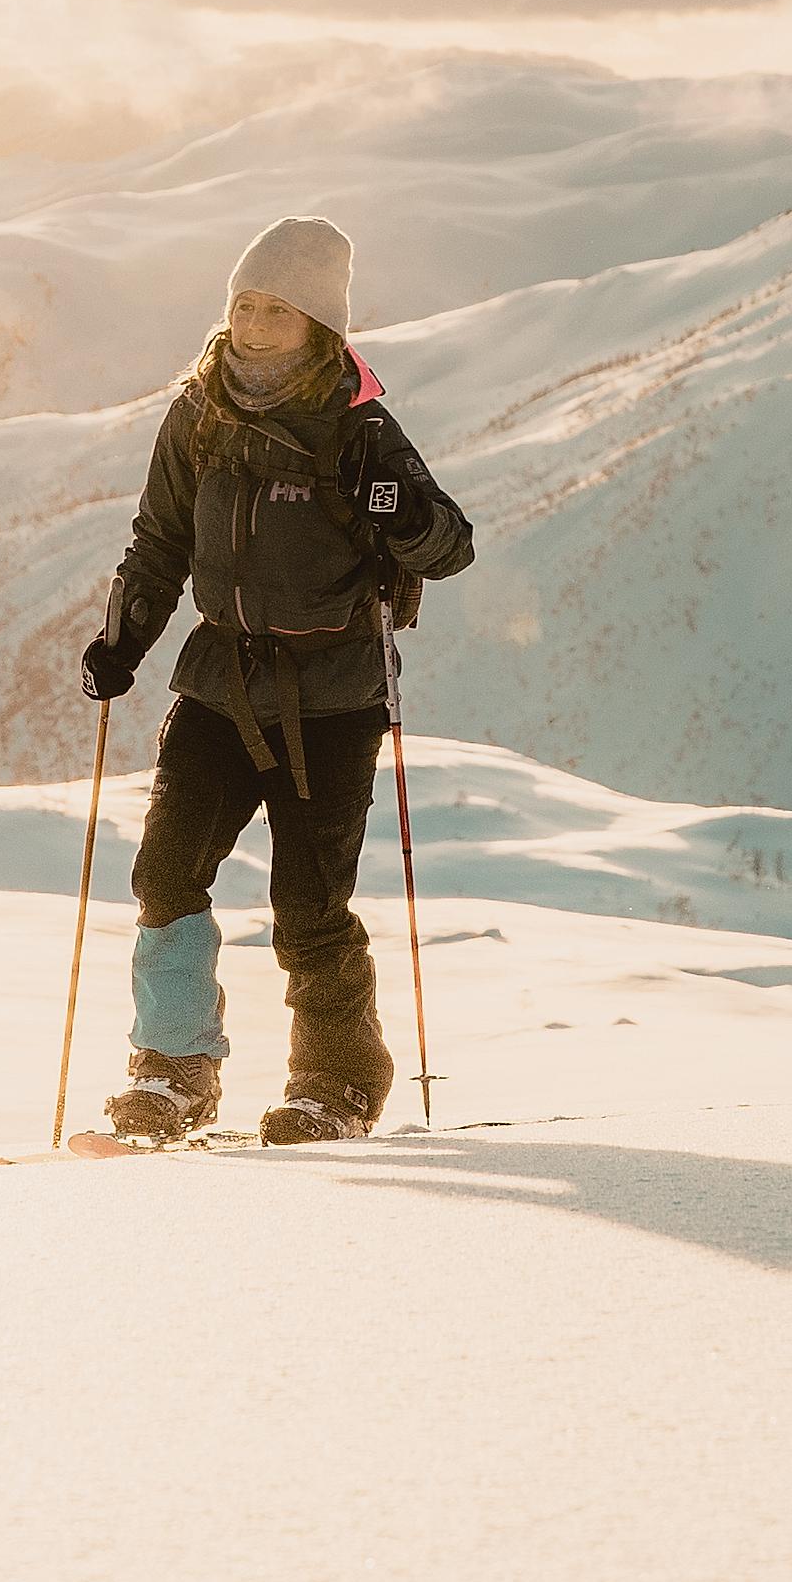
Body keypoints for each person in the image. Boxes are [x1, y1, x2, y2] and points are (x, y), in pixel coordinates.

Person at [79, 217, 476, 1144]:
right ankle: (173, 1071)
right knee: (165, 873)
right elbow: (161, 541)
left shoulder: (358, 423)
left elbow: (449, 545)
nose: (254, 325)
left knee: (308, 902)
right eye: (244, 304)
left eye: (277, 310)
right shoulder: (199, 409)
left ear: (320, 325)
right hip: (220, 681)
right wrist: (123, 642)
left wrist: (404, 510)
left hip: (334, 698)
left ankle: (336, 1082)